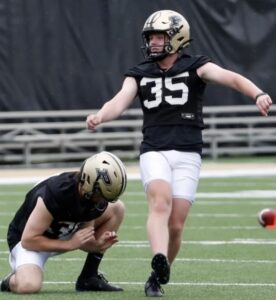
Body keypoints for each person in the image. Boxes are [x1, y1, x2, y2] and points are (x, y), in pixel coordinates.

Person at [86, 10, 273, 297]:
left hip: (188, 152)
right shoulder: (139, 72)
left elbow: (231, 78)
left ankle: (157, 276)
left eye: (160, 37)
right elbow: (119, 101)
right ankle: (158, 256)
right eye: (151, 37)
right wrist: (100, 116)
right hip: (155, 150)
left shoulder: (197, 66)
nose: (154, 43)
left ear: (177, 38)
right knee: (160, 203)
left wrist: (257, 93)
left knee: (176, 223)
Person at [0, 151, 127, 294]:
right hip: (31, 239)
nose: (102, 201)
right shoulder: (56, 193)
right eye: (101, 195)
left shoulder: (92, 196)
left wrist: (96, 246)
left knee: (117, 208)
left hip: (63, 231)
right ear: (89, 184)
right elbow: (28, 240)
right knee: (28, 286)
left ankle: (89, 277)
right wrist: (69, 244)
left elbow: (85, 237)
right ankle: (8, 282)